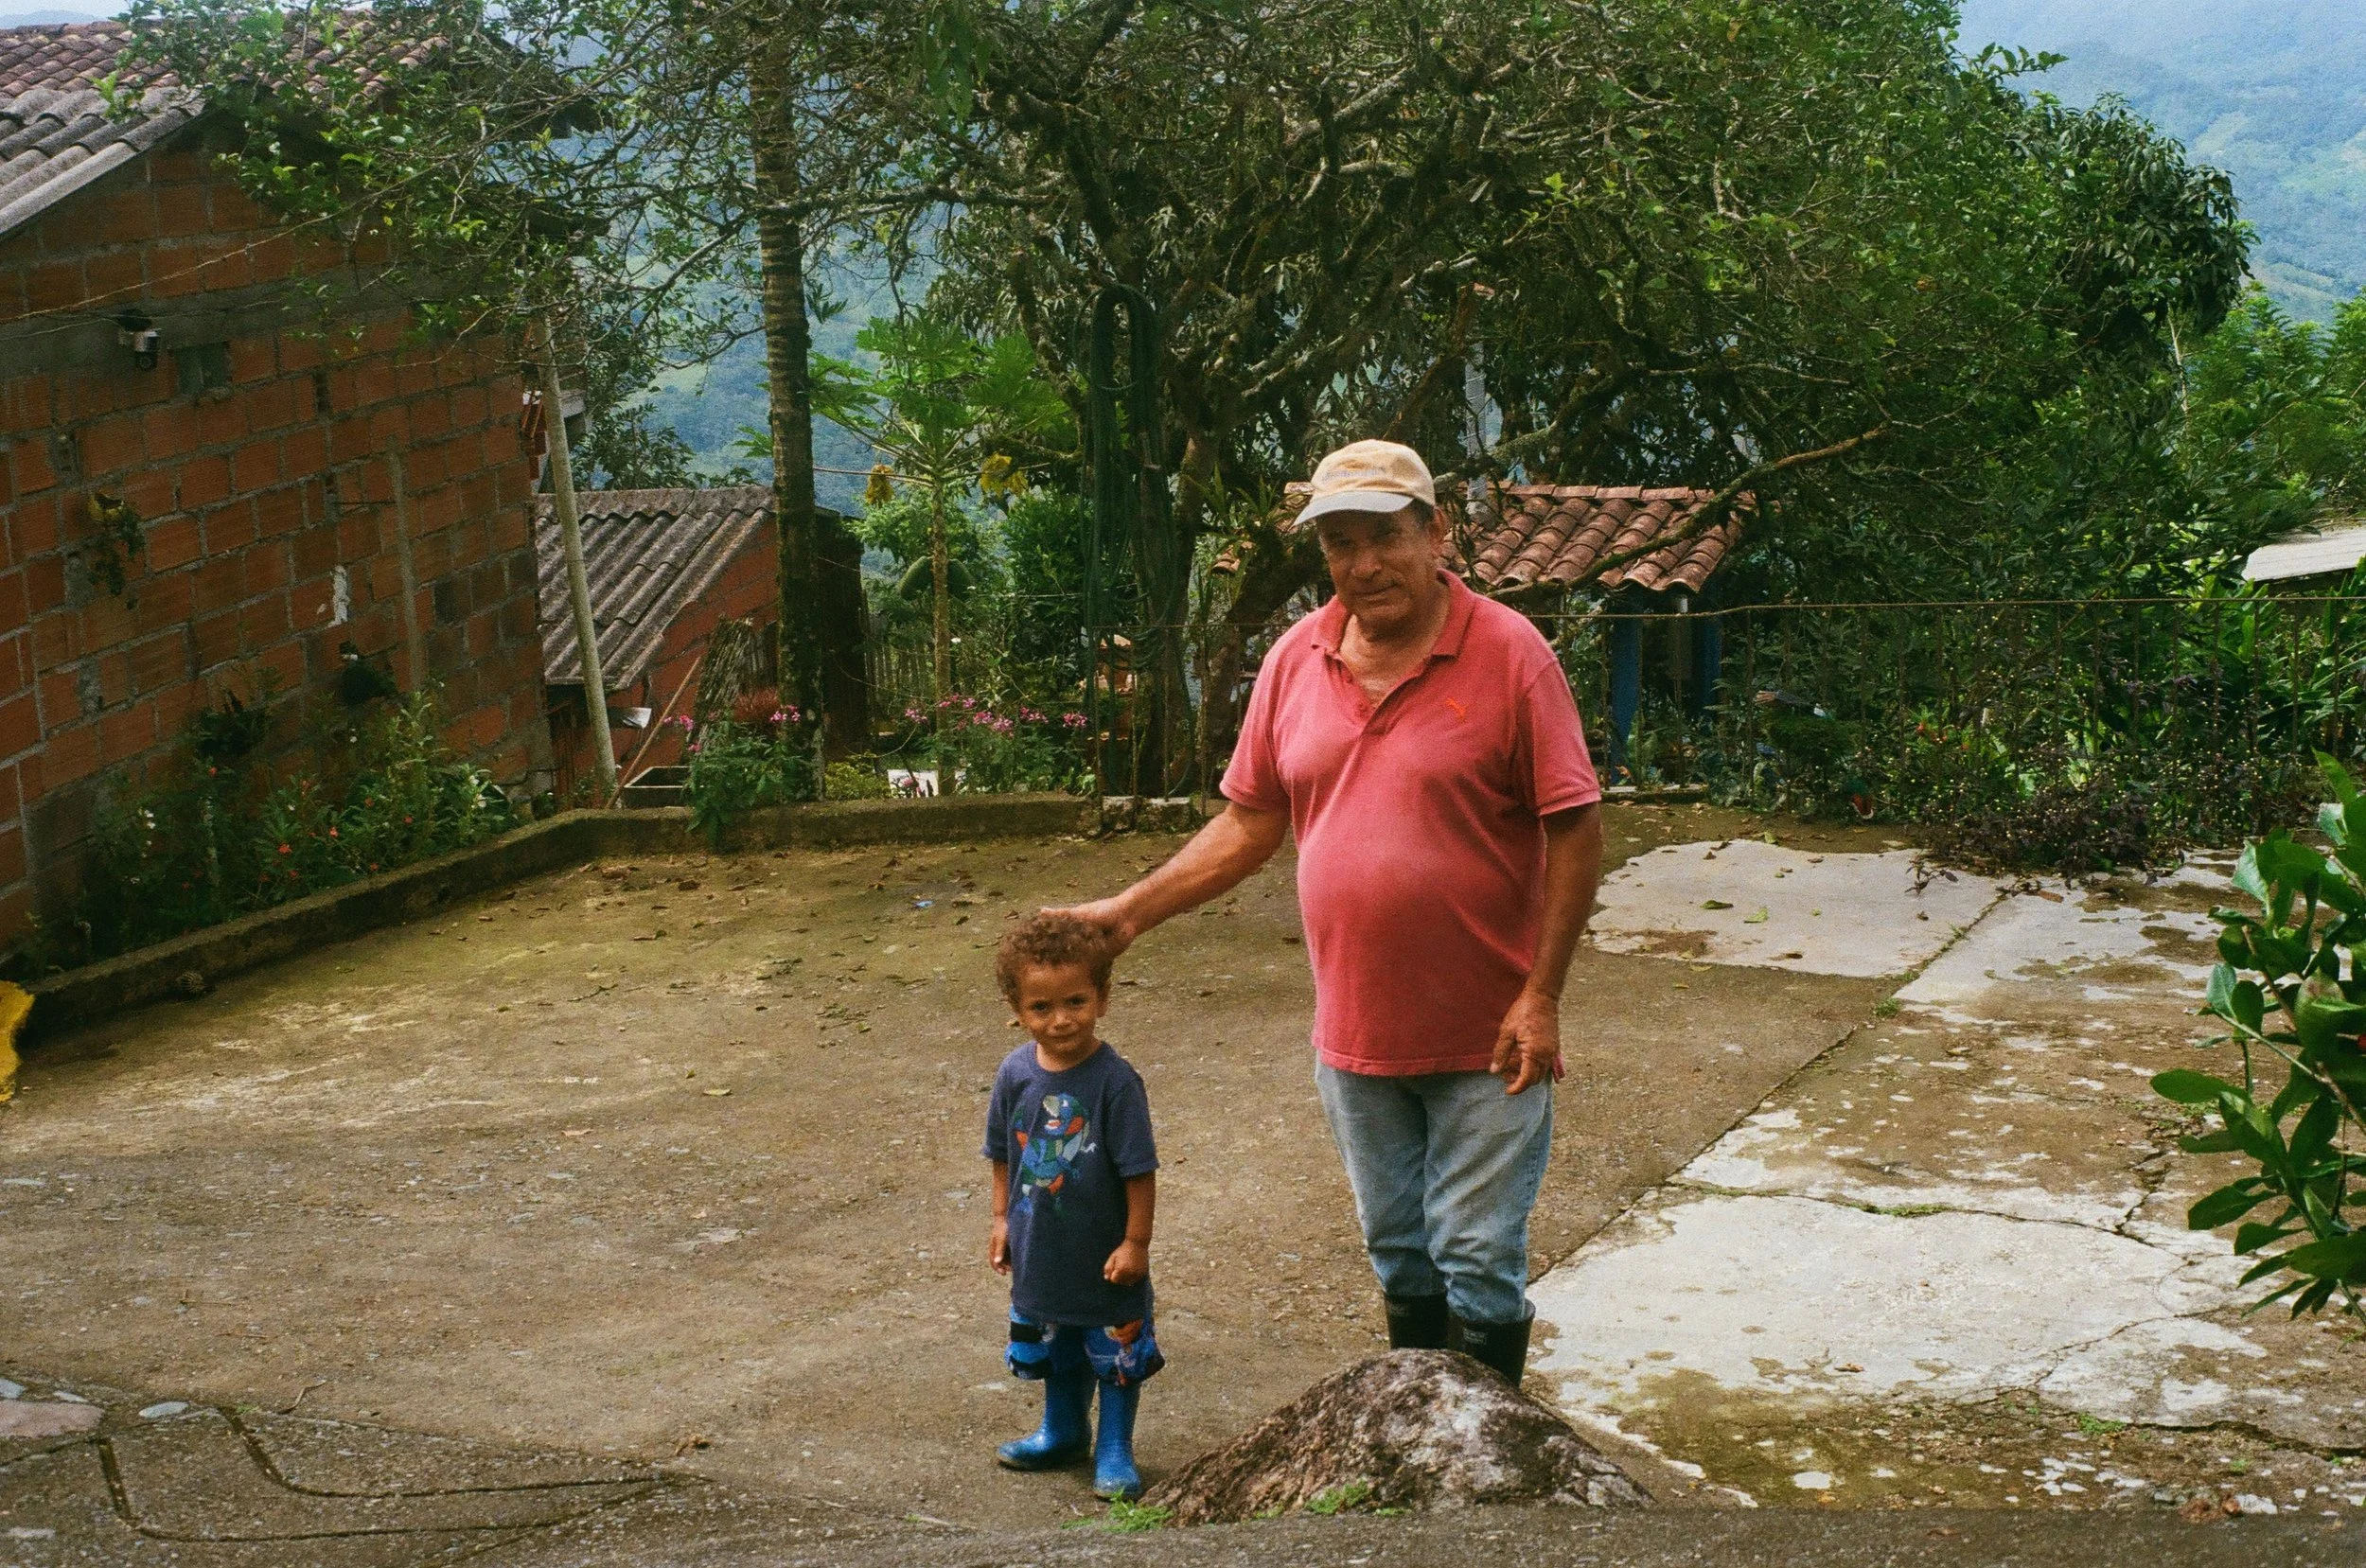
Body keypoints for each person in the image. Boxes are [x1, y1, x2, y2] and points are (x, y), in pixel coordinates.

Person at [1061, 438, 1603, 1388]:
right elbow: (1248, 822)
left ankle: (1489, 1454)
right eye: (1339, 543)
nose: (1362, 565)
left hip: (1491, 1035)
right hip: (1354, 1033)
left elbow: (1574, 825)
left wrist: (1541, 994)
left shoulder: (1511, 655)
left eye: (1384, 537)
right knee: (1397, 1247)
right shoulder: (1293, 660)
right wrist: (1127, 913)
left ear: (1436, 533)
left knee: (1477, 1258)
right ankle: (1416, 1428)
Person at [984, 911, 1163, 1500]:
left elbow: (1139, 1169)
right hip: (1041, 1251)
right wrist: (1000, 1218)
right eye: (1041, 1007)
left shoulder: (1115, 1083)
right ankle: (1062, 1430)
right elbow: (1002, 1153)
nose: (1061, 1020)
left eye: (1076, 1001)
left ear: (1103, 998)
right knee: (1056, 1345)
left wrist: (1135, 1241)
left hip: (1105, 1253)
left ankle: (1114, 1447)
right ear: (1015, 1006)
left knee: (1114, 1352)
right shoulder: (1014, 1072)